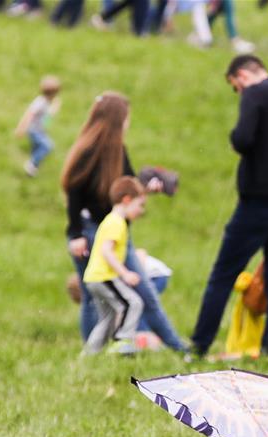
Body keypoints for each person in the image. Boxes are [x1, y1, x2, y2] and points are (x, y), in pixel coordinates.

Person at [190, 55, 268, 358]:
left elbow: (243, 138)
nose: (238, 92)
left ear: (242, 75)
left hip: (258, 202)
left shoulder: (255, 93)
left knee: (224, 273)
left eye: (235, 86)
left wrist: (237, 138)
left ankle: (199, 344)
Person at [61, 91, 186, 352]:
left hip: (114, 231)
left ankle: (177, 348)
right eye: (126, 118)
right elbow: (74, 192)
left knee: (131, 295)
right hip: (91, 233)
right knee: (99, 298)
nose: (128, 123)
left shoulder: (118, 151)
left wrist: (147, 188)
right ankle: (97, 351)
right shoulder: (88, 152)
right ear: (117, 120)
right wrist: (75, 234)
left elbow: (124, 189)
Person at [83, 177, 147, 355]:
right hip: (104, 277)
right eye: (140, 205)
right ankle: (121, 341)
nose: (141, 211)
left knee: (107, 318)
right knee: (132, 303)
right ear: (126, 200)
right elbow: (107, 251)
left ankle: (89, 354)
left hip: (94, 278)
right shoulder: (117, 222)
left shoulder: (111, 220)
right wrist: (124, 274)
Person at [15, 76, 62, 177]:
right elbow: (28, 115)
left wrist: (54, 108)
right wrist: (21, 128)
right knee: (47, 146)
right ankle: (31, 164)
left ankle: (32, 169)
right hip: (34, 130)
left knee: (36, 148)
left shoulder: (47, 102)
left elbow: (47, 118)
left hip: (40, 129)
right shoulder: (39, 103)